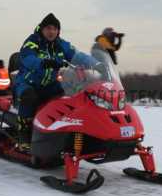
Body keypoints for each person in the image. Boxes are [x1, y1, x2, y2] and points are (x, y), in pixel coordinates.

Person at [14, 13, 101, 145]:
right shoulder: (32, 42)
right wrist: (43, 63)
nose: (52, 32)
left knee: (70, 99)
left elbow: (78, 55)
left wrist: (97, 64)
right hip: (28, 83)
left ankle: (62, 133)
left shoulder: (61, 44)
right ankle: (23, 135)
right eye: (48, 28)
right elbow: (27, 57)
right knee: (29, 97)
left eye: (55, 29)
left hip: (50, 84)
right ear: (42, 29)